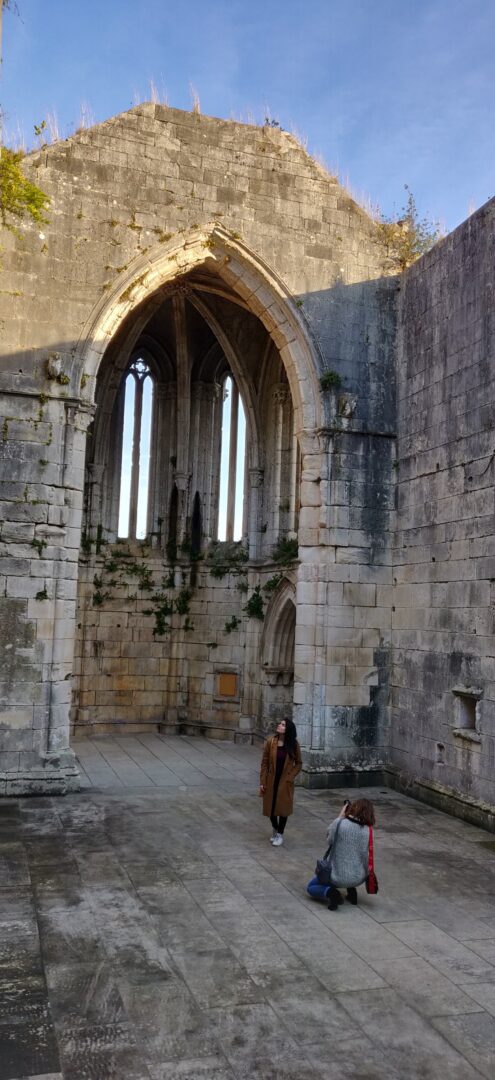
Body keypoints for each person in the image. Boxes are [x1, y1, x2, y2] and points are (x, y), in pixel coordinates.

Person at [307, 797, 376, 910]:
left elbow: (329, 840)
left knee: (311, 887)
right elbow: (365, 855)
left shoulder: (340, 823)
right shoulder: (368, 830)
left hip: (336, 877)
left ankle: (331, 893)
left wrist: (339, 816)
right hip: (358, 877)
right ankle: (352, 892)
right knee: (352, 858)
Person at [259, 717, 302, 846]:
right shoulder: (271, 742)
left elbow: (298, 764)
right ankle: (275, 828)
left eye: (283, 725)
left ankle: (280, 834)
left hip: (285, 782)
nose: (279, 726)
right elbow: (264, 763)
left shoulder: (293, 745)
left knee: (283, 809)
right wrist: (262, 781)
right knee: (270, 809)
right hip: (271, 779)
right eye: (280, 724)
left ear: (288, 729)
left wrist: (290, 777)